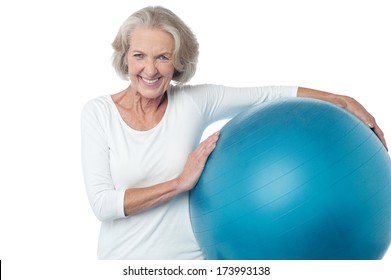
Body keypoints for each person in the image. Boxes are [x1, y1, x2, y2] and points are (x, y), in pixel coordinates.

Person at [81, 6, 387, 260]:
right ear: (124, 58)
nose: (150, 69)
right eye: (139, 56)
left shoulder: (193, 102)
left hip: (193, 261)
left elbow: (268, 95)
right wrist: (178, 183)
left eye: (163, 57)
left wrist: (342, 100)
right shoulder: (98, 113)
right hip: (123, 263)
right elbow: (103, 204)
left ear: (178, 63)